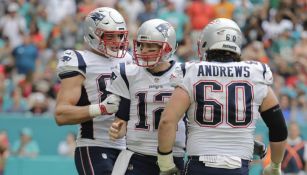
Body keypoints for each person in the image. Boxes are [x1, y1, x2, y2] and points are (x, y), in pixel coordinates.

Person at [156, 18, 288, 175]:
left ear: (207, 42)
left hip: (199, 166)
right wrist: (274, 166)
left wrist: (165, 163)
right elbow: (278, 127)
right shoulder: (256, 73)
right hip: (238, 166)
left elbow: (167, 121)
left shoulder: (191, 71)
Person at [54, 7, 132, 175]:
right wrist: (100, 108)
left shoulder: (128, 59)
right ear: (93, 34)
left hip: (127, 147)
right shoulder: (79, 60)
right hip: (94, 146)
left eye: (120, 35)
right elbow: (61, 114)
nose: (117, 41)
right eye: (109, 35)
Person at [107, 19, 186, 175]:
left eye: (151, 46)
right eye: (141, 45)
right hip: (137, 155)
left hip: (173, 154)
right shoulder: (128, 73)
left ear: (167, 47)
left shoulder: (184, 73)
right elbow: (122, 119)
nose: (143, 50)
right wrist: (118, 128)